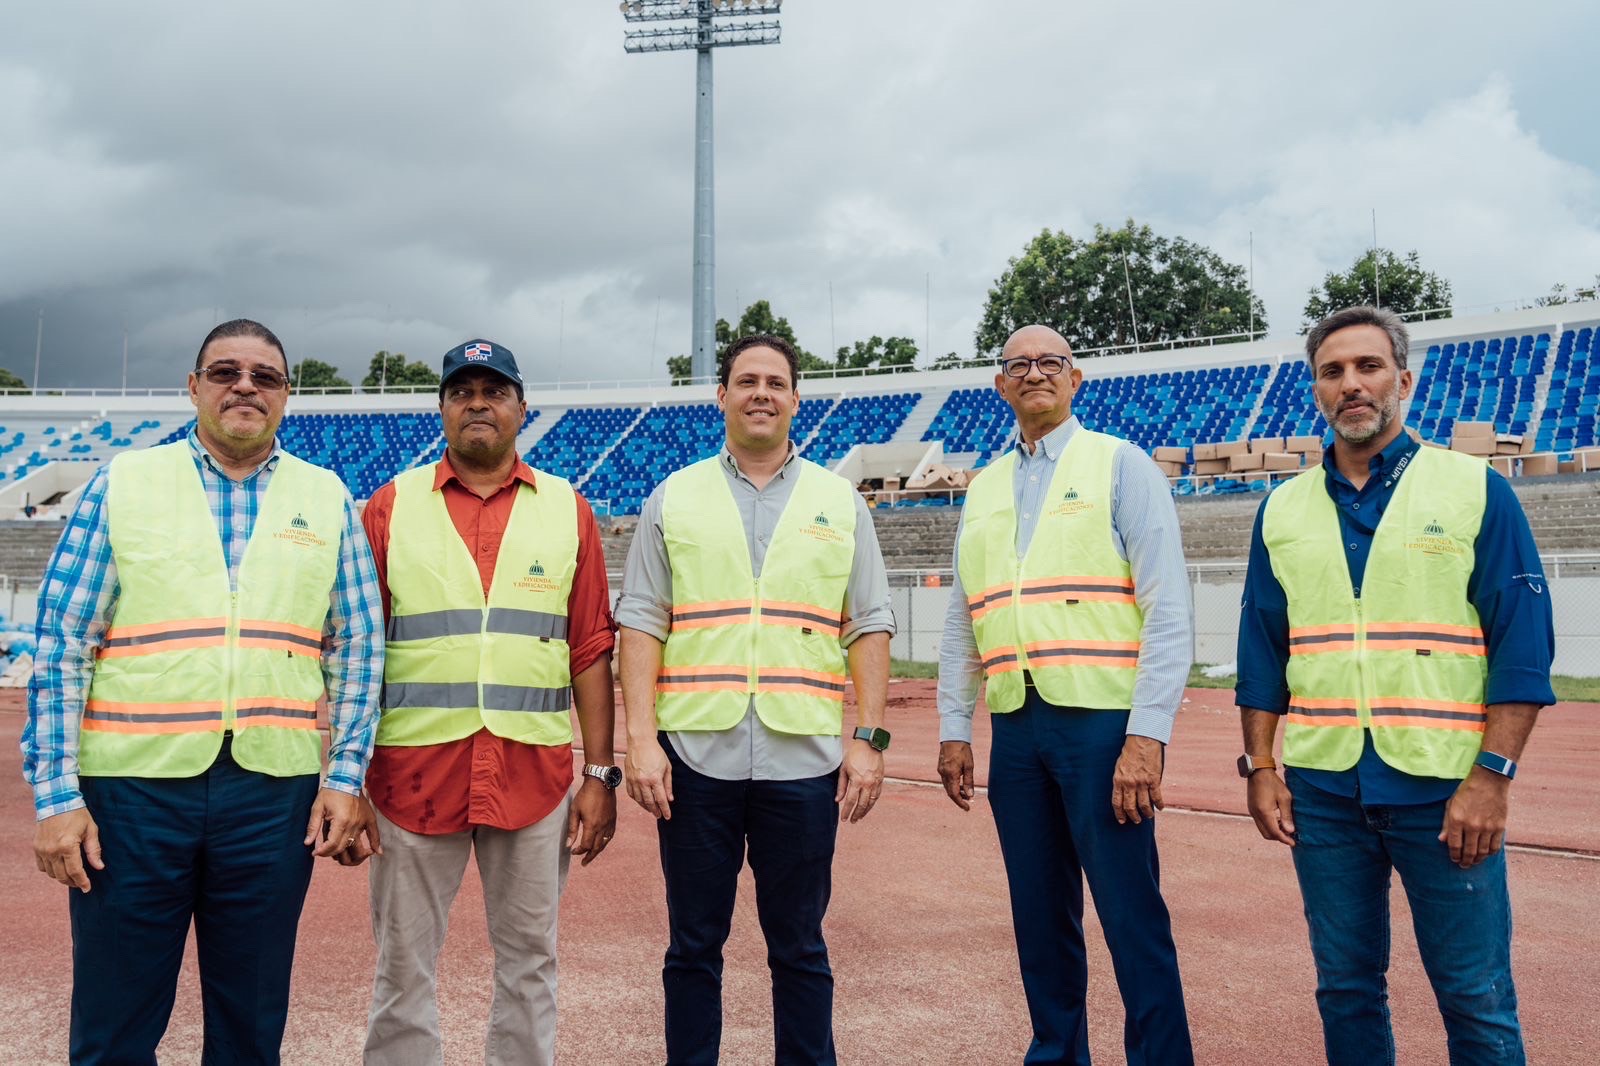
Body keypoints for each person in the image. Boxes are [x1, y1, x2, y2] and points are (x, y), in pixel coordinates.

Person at [22, 318, 384, 1063]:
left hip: (271, 793)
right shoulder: (124, 483)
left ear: (288, 395)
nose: (245, 386)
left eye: (265, 376)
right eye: (225, 372)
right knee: (114, 1025)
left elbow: (358, 646)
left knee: (250, 1025)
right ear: (194, 388)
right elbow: (61, 642)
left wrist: (344, 777)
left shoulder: (326, 498)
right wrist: (58, 796)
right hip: (131, 792)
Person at [1236, 306, 1554, 1066]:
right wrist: (1262, 767)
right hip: (1324, 791)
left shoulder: (1474, 489)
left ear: (1402, 380)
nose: (1351, 384)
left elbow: (1522, 648)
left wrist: (1493, 777)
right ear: (1316, 388)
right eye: (1333, 371)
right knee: (1344, 987)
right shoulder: (1281, 509)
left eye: (1368, 367)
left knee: (1475, 997)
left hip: (1446, 791)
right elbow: (1262, 651)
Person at [616, 333, 894, 1065]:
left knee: (800, 946)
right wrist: (639, 741)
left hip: (802, 760)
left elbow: (869, 623)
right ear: (723, 396)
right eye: (746, 380)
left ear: (796, 398)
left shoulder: (840, 502)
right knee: (693, 948)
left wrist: (869, 738)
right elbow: (641, 621)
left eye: (776, 381)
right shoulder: (672, 497)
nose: (761, 393)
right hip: (695, 760)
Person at [343, 339, 617, 1066]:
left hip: (534, 776)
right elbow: (358, 652)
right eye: (461, 391)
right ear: (441, 408)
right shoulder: (391, 506)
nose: (477, 404)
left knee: (530, 967)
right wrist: (343, 780)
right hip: (410, 777)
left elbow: (589, 647)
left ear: (522, 409)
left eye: (494, 391)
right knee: (403, 969)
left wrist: (600, 776)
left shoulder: (568, 509)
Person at [937, 324, 1194, 1065]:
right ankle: (1056, 1052)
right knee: (1040, 918)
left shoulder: (1120, 465)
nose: (1035, 373)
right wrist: (957, 726)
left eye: (1050, 362)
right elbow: (964, 617)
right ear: (1000, 386)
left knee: (1130, 915)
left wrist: (1147, 737)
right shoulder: (982, 488)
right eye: (1019, 365)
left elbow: (1167, 608)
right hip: (1017, 731)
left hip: (1103, 728)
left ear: (1075, 379)